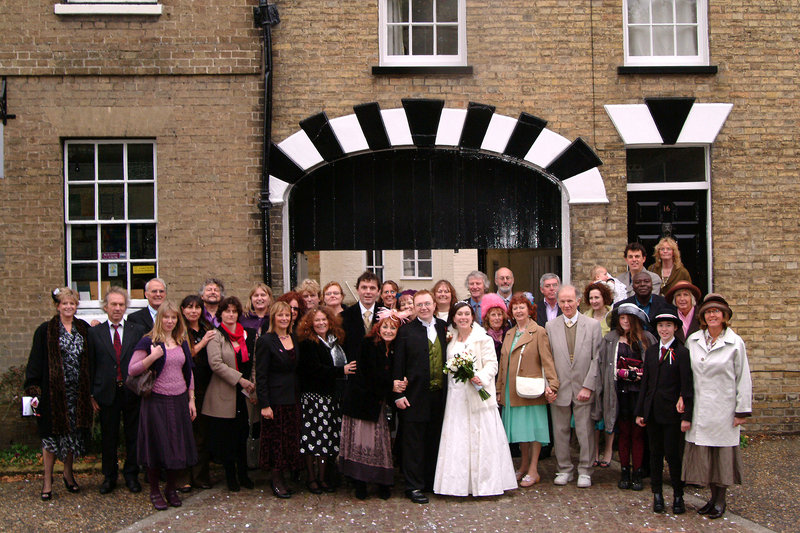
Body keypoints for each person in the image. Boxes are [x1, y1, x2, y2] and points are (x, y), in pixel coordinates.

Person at [434, 302, 517, 496]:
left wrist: (481, 376)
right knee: (458, 438)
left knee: (482, 438)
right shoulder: (450, 338)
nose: (463, 318)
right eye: (459, 314)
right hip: (456, 397)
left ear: (472, 317)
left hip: (478, 394)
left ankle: (486, 484)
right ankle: (457, 485)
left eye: (467, 314)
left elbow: (492, 364)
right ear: (453, 318)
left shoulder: (483, 338)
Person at [682, 294, 752, 520]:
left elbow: (743, 377)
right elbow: (685, 374)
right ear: (703, 316)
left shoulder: (734, 343)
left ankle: (721, 500)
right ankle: (711, 499)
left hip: (724, 408)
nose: (712, 315)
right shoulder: (693, 340)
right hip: (700, 408)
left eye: (717, 312)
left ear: (724, 316)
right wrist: (683, 397)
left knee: (721, 457)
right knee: (706, 456)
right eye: (708, 312)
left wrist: (742, 410)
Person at [24, 288, 93, 501]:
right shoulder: (45, 330)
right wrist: (34, 390)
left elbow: (91, 359)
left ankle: (68, 475)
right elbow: (35, 362)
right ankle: (47, 480)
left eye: (72, 303)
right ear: (57, 306)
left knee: (72, 437)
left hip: (77, 394)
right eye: (65, 304)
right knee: (51, 439)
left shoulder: (83, 329)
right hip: (53, 395)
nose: (69, 307)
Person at [128, 301, 198, 510]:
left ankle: (171, 488)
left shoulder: (181, 340)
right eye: (166, 317)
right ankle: (155, 491)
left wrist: (191, 399)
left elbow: (189, 372)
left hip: (178, 399)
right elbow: (132, 369)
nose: (170, 321)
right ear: (159, 319)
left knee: (177, 447)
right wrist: (153, 356)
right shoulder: (148, 341)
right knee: (157, 446)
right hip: (156, 400)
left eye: (173, 317)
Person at [340, 315, 406, 500]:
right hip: (361, 402)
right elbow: (368, 375)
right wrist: (391, 385)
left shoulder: (392, 349)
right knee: (362, 444)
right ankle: (360, 483)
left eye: (393, 328)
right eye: (385, 327)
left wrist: (400, 382)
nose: (388, 331)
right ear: (378, 328)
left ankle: (382, 483)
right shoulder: (369, 344)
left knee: (379, 445)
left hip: (377, 404)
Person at [635, 310, 693, 515]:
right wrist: (641, 411)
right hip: (653, 412)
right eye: (661, 326)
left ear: (675, 328)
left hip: (672, 413)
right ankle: (657, 494)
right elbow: (646, 384)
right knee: (655, 455)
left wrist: (686, 416)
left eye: (668, 326)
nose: (664, 329)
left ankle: (678, 495)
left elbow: (687, 385)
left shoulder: (682, 352)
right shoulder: (651, 352)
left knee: (673, 455)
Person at [497, 294, 559, 488]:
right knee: (520, 430)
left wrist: (553, 384)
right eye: (515, 308)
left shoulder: (538, 331)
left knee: (534, 430)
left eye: (522, 307)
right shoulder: (509, 333)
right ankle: (523, 465)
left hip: (531, 388)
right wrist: (499, 389)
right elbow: (503, 364)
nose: (518, 311)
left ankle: (533, 469)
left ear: (529, 309)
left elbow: (547, 359)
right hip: (511, 388)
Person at [88, 287, 146, 495]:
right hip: (106, 392)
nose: (117, 308)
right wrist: (91, 394)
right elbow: (91, 365)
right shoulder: (94, 333)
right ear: (105, 307)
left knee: (133, 436)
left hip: (131, 392)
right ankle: (109, 476)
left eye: (121, 304)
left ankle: (131, 475)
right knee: (109, 437)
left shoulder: (136, 330)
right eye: (113, 304)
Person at [393, 290, 448, 504]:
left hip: (439, 396)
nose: (423, 308)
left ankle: (430, 480)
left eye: (427, 303)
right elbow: (399, 363)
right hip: (414, 396)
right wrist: (398, 395)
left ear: (434, 305)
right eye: (419, 304)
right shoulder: (406, 331)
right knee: (413, 443)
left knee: (434, 439)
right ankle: (413, 486)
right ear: (413, 307)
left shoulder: (443, 328)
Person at [545, 285, 602, 488]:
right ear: (558, 303)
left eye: (570, 301)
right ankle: (564, 468)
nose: (566, 305)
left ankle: (585, 470)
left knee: (584, 431)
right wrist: (549, 385)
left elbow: (597, 359)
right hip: (559, 387)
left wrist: (589, 386)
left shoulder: (593, 325)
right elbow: (547, 358)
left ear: (578, 301)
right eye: (562, 301)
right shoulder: (551, 326)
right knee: (560, 431)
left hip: (583, 386)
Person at [296, 307, 356, 494]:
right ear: (310, 324)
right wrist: (341, 371)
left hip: (330, 398)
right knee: (312, 439)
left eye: (324, 320)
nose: (321, 323)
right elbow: (314, 370)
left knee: (327, 439)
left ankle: (323, 478)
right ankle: (311, 478)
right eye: (317, 320)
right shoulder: (308, 343)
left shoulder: (335, 342)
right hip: (314, 398)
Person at [596, 303, 655, 491]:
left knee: (638, 434)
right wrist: (621, 374)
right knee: (623, 434)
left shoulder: (647, 339)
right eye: (622, 318)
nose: (626, 321)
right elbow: (603, 366)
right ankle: (624, 471)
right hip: (619, 394)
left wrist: (640, 375)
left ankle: (637, 472)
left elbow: (653, 367)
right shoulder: (611, 339)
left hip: (639, 395)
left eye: (629, 318)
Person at [203, 296, 256, 492]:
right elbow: (215, 364)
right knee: (227, 439)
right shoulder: (215, 335)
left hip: (244, 394)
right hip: (224, 392)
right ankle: (230, 477)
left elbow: (253, 360)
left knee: (242, 435)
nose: (231, 315)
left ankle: (244, 474)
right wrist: (239, 379)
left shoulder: (247, 334)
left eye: (234, 311)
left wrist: (251, 382)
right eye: (227, 311)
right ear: (221, 314)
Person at [256, 301, 302, 498]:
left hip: (292, 397)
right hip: (275, 400)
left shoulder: (294, 337)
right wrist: (264, 404)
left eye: (287, 315)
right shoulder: (266, 341)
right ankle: (276, 477)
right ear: (273, 317)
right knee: (276, 440)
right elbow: (261, 375)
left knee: (289, 438)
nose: (284, 318)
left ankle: (287, 474)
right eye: (280, 315)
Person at [179, 294, 215, 490]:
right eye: (189, 307)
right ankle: (184, 477)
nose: (193, 311)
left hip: (205, 385)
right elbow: (185, 354)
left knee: (202, 434)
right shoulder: (179, 330)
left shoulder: (206, 328)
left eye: (197, 307)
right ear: (183, 310)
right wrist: (202, 343)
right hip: (185, 385)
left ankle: (200, 476)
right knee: (186, 432)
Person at [340, 271, 380, 362]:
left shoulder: (386, 314)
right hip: (355, 371)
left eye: (372, 288)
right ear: (357, 290)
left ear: (378, 291)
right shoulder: (344, 317)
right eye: (364, 288)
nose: (368, 292)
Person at [480, 293, 510, 359]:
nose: (497, 318)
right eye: (493, 315)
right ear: (487, 318)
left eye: (499, 314)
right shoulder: (483, 336)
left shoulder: (509, 333)